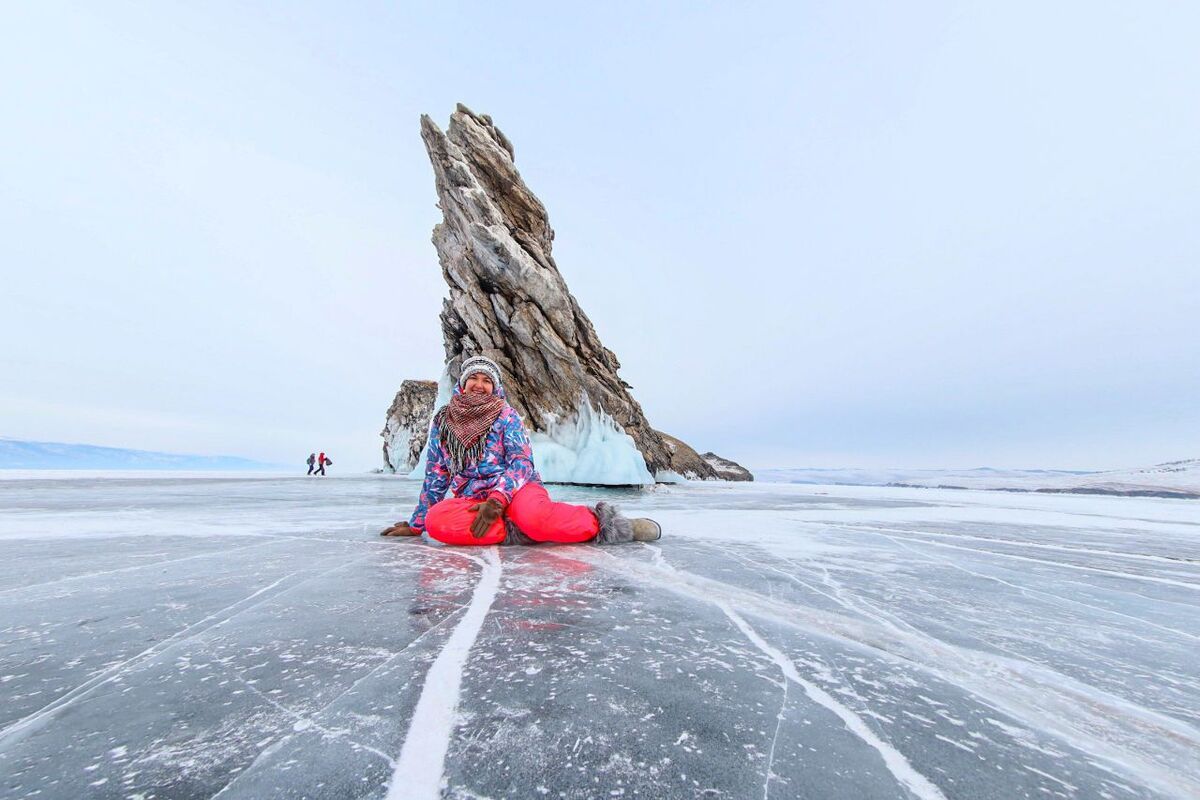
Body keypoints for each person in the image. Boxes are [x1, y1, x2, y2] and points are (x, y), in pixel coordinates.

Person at [380, 355, 661, 545]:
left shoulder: (506, 415)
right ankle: (519, 527)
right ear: (462, 385)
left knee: (535, 518)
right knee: (437, 521)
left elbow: (521, 463)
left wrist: (497, 500)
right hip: (473, 498)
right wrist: (417, 524)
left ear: (495, 388)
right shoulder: (444, 421)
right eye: (474, 378)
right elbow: (436, 476)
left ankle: (605, 524)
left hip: (516, 490)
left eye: (487, 380)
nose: (479, 384)